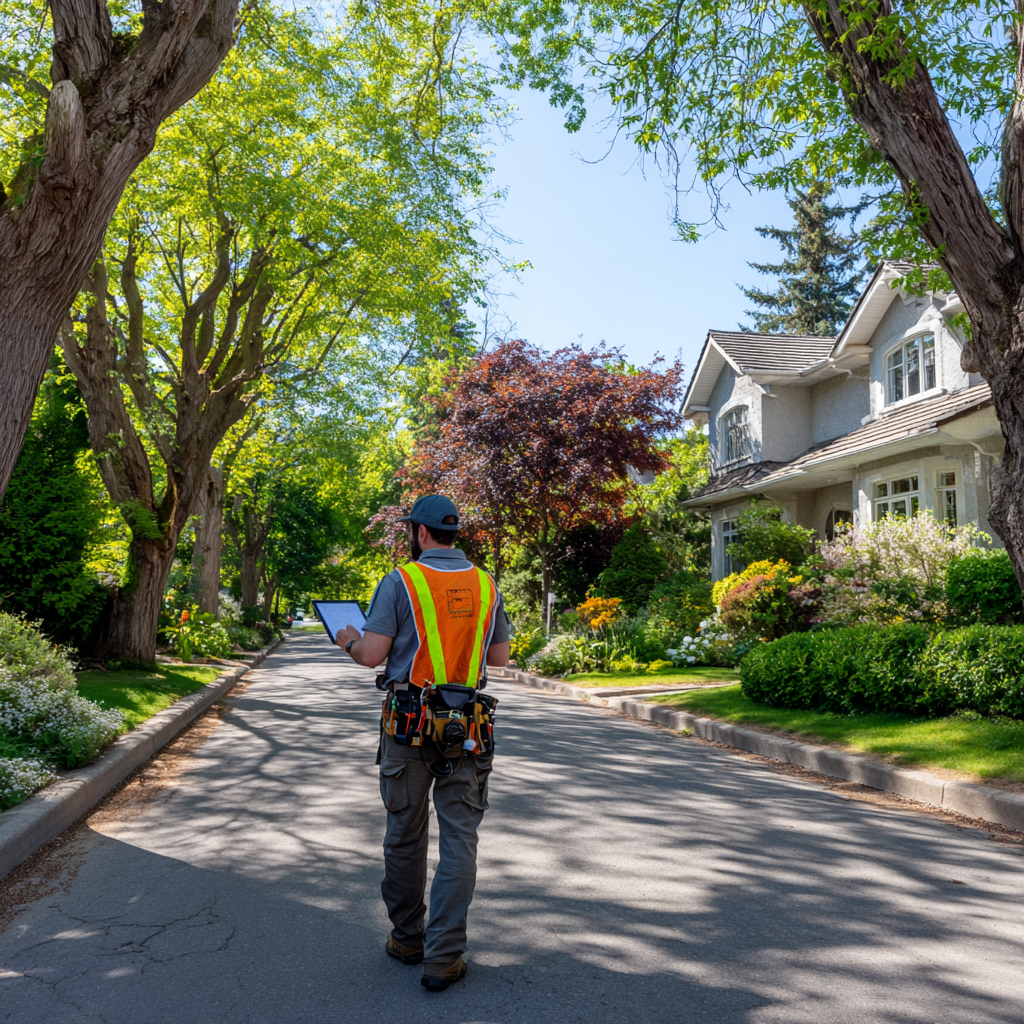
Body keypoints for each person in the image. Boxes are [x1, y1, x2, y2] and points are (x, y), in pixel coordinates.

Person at [334, 494, 510, 991]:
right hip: (468, 730)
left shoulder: (401, 580)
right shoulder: (486, 583)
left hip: (408, 726)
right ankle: (444, 957)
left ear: (420, 532)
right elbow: (499, 656)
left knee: (406, 835)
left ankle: (408, 939)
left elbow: (372, 655)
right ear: (453, 533)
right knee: (460, 841)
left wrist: (346, 637)